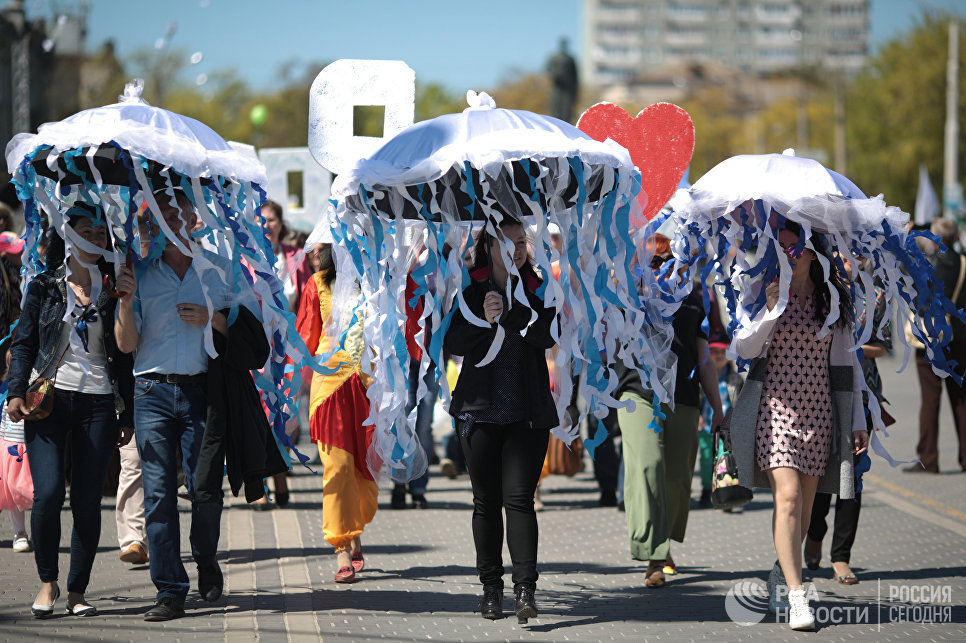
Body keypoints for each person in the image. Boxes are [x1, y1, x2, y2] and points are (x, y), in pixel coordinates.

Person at [115, 189, 253, 621]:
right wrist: (123, 300)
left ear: (195, 218)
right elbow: (125, 345)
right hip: (151, 391)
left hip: (200, 394)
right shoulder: (140, 272)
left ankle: (206, 561)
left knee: (203, 488)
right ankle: (170, 590)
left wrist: (211, 317)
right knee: (157, 493)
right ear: (151, 222)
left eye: (179, 214)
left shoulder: (218, 269)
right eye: (162, 214)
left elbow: (250, 335)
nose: (172, 222)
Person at [729, 222, 869, 631]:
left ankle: (782, 567)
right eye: (784, 248)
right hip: (774, 414)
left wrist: (858, 420)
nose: (791, 255)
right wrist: (771, 312)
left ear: (813, 253)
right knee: (787, 500)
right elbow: (744, 349)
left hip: (819, 413)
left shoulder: (834, 302)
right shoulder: (765, 292)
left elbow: (848, 365)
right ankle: (797, 595)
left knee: (805, 511)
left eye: (798, 249)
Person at [7, 204, 135, 618]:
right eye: (88, 231)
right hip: (48, 401)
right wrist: (14, 392)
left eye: (103, 233)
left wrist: (127, 413)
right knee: (46, 495)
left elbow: (126, 355)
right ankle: (48, 582)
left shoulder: (116, 285)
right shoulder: (45, 285)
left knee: (86, 500)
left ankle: (78, 591)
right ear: (70, 235)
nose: (98, 240)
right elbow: (24, 342)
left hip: (98, 402)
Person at [445, 218, 558, 624]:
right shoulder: (470, 289)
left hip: (527, 414)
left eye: (521, 241)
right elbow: (453, 343)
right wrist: (484, 320)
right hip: (479, 413)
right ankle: (490, 589)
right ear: (489, 247)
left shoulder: (539, 288)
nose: (516, 249)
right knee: (486, 502)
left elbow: (548, 335)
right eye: (507, 242)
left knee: (520, 499)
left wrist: (511, 316)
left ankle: (525, 590)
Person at [616, 235, 724, 589]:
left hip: (683, 395)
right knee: (647, 466)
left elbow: (704, 357)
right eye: (655, 258)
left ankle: (662, 541)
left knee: (678, 477)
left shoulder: (698, 295)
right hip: (637, 391)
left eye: (668, 257)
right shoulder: (630, 288)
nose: (661, 265)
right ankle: (653, 554)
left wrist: (718, 408)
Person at [805, 254, 891, 585]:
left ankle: (841, 556)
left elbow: (883, 348)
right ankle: (814, 533)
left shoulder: (876, 296)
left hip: (863, 394)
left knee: (852, 476)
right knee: (820, 472)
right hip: (820, 393)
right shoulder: (820, 290)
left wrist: (853, 348)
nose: (848, 260)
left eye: (854, 253)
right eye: (840, 253)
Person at [296, 243, 376, 584]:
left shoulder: (375, 281)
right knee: (337, 466)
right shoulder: (316, 284)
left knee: (364, 469)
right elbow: (305, 337)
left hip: (368, 384)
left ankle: (354, 530)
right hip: (329, 385)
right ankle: (341, 546)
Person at [253, 200, 313, 509]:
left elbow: (306, 303)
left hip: (288, 349)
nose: (267, 224)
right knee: (260, 414)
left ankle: (279, 472)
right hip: (256, 349)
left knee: (285, 414)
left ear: (281, 223)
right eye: (261, 219)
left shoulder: (295, 258)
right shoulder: (245, 258)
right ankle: (265, 482)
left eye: (272, 219)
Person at [907, 217, 966, 474]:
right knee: (961, 400)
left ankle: (928, 459)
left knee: (930, 401)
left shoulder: (925, 265)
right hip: (960, 339)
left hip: (930, 341)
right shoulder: (964, 264)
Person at [115, 217, 154, 566]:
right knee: (132, 461)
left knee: (156, 466)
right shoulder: (118, 268)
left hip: (167, 383)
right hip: (128, 383)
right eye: (144, 235)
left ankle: (155, 535)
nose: (148, 242)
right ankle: (132, 539)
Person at [0, 397, 32, 553]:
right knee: (13, 492)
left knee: (37, 493)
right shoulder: (10, 397)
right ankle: (20, 532)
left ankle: (43, 533)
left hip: (35, 449)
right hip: (12, 450)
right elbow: (4, 426)